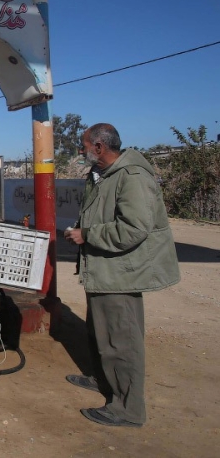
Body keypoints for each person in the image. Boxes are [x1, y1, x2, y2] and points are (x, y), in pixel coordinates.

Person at [64, 123, 180, 428]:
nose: (80, 150)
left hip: (120, 274)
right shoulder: (103, 174)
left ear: (99, 147)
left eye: (83, 145)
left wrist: (87, 235)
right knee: (102, 333)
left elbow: (134, 229)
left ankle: (127, 410)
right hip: (104, 270)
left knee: (121, 341)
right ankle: (104, 380)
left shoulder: (132, 176)